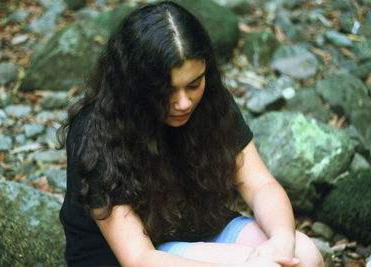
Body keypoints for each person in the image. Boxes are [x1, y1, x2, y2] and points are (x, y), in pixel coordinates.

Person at [58, 2, 324, 266]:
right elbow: (139, 258)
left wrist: (280, 241)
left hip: (194, 229)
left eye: (193, 85)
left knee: (305, 253)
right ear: (134, 85)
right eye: (167, 90)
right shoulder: (95, 132)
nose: (183, 103)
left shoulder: (210, 103)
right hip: (131, 255)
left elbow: (261, 185)